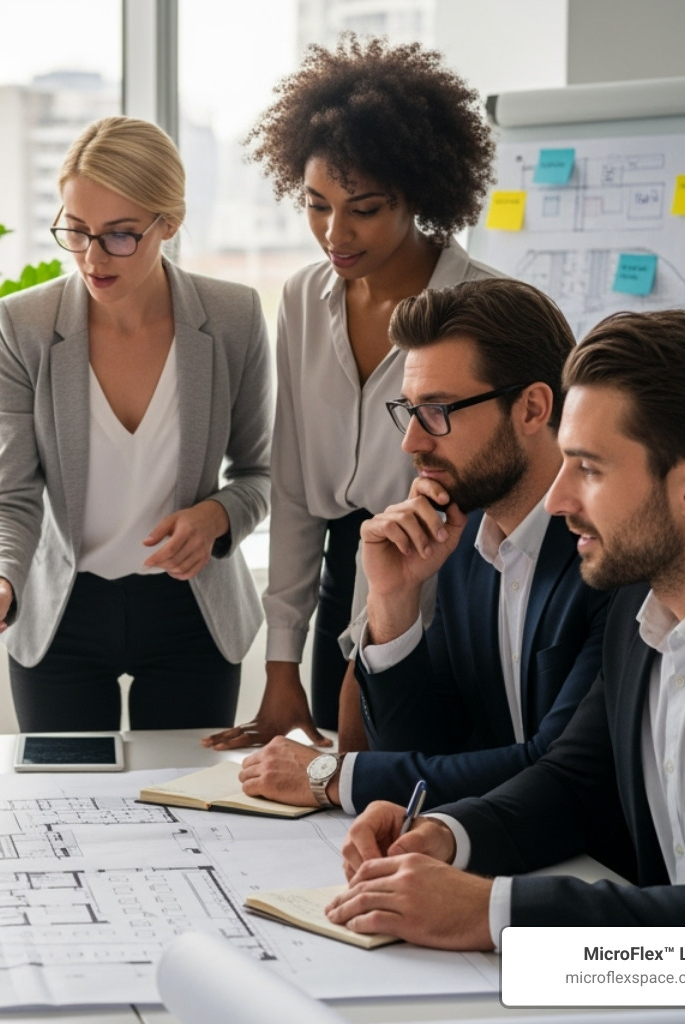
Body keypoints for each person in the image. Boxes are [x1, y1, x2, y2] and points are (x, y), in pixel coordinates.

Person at [327, 311, 685, 983]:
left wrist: (494, 913)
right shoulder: (640, 602)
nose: (557, 499)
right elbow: (576, 782)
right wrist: (449, 836)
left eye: (588, 469)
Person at [206, 37, 501, 753]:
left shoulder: (485, 305)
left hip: (447, 584)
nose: (334, 233)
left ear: (419, 194)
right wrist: (282, 666)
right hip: (348, 569)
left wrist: (371, 646)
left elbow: (464, 494)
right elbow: (298, 492)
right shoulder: (305, 297)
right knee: (323, 805)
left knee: (407, 794)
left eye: (363, 208)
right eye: (316, 205)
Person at [0, 115, 271, 731]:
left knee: (181, 810)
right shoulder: (24, 325)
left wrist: (217, 516)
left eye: (120, 235)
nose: (92, 258)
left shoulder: (233, 317)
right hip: (61, 612)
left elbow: (261, 472)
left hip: (192, 611)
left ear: (167, 223)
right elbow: (10, 495)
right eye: (76, 230)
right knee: (61, 810)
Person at [236, 279, 613, 812]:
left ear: (532, 408)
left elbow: (554, 766)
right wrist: (393, 602)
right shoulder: (462, 543)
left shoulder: (606, 553)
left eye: (438, 410)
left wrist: (335, 775)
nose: (411, 442)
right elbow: (429, 747)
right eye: (409, 410)